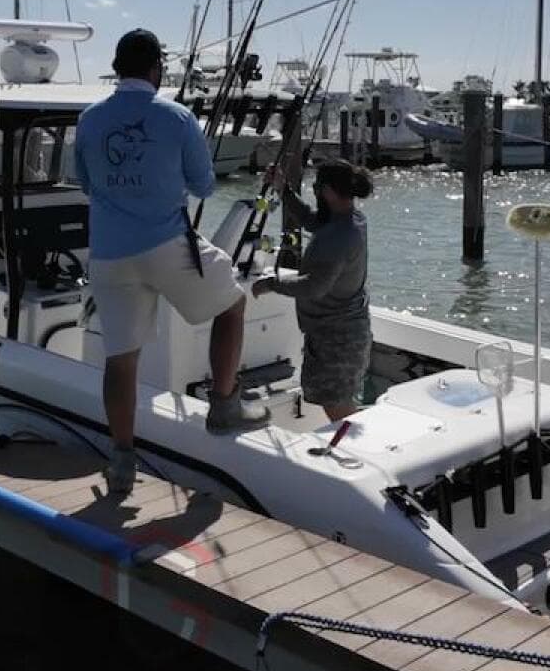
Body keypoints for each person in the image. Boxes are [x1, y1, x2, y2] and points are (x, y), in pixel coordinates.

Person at [73, 29, 270, 496]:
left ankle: (121, 462)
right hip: (165, 243)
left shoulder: (88, 119)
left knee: (121, 361)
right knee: (233, 303)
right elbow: (203, 186)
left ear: (117, 68)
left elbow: (83, 182)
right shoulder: (178, 117)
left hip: (108, 254)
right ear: (156, 68)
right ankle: (224, 406)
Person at [255, 159, 373, 422]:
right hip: (338, 331)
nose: (316, 192)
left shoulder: (341, 236)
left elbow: (314, 287)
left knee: (337, 409)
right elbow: (311, 219)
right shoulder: (350, 219)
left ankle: (363, 455)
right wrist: (283, 190)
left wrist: (270, 284)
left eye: (317, 187)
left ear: (329, 191)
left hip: (338, 341)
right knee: (336, 405)